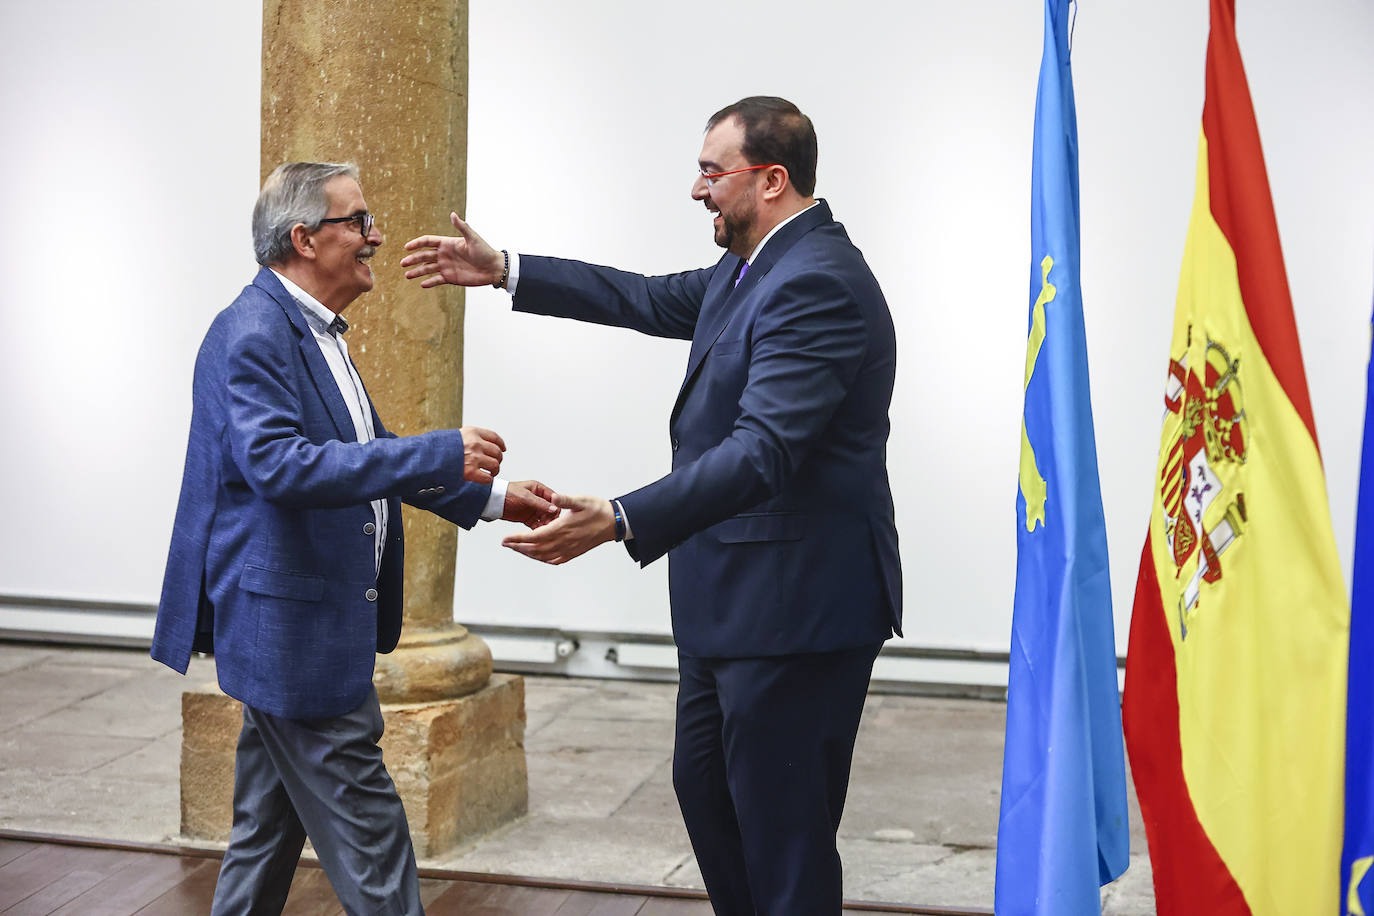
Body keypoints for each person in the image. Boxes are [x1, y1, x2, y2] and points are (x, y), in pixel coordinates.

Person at [401, 97, 903, 915]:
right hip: (733, 607)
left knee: (782, 838)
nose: (697, 190)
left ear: (772, 179)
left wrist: (623, 517)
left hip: (795, 611)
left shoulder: (818, 284)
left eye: (713, 172)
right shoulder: (752, 267)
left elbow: (762, 451)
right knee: (710, 794)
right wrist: (506, 270)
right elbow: (643, 297)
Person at [151, 161, 556, 915]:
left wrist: (495, 498)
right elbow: (282, 466)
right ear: (304, 237)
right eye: (359, 222)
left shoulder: (312, 329)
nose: (375, 237)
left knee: (263, 839)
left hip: (296, 630)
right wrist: (440, 449)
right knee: (375, 853)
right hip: (292, 637)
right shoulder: (253, 334)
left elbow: (366, 449)